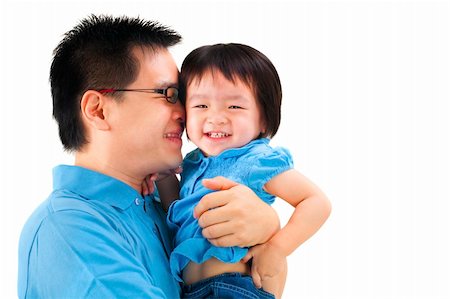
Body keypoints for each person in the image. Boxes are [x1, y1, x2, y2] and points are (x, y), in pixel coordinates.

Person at [17, 16, 282, 298]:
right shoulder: (70, 231)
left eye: (182, 95)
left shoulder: (161, 206)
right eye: (168, 94)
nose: (186, 112)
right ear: (98, 110)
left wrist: (268, 229)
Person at [155, 43, 332, 298]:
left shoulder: (256, 159)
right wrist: (162, 173)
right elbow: (176, 211)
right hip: (191, 291)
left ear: (263, 119)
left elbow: (316, 202)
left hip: (235, 288)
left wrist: (277, 248)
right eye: (201, 106)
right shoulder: (192, 163)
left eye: (234, 107)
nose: (216, 117)